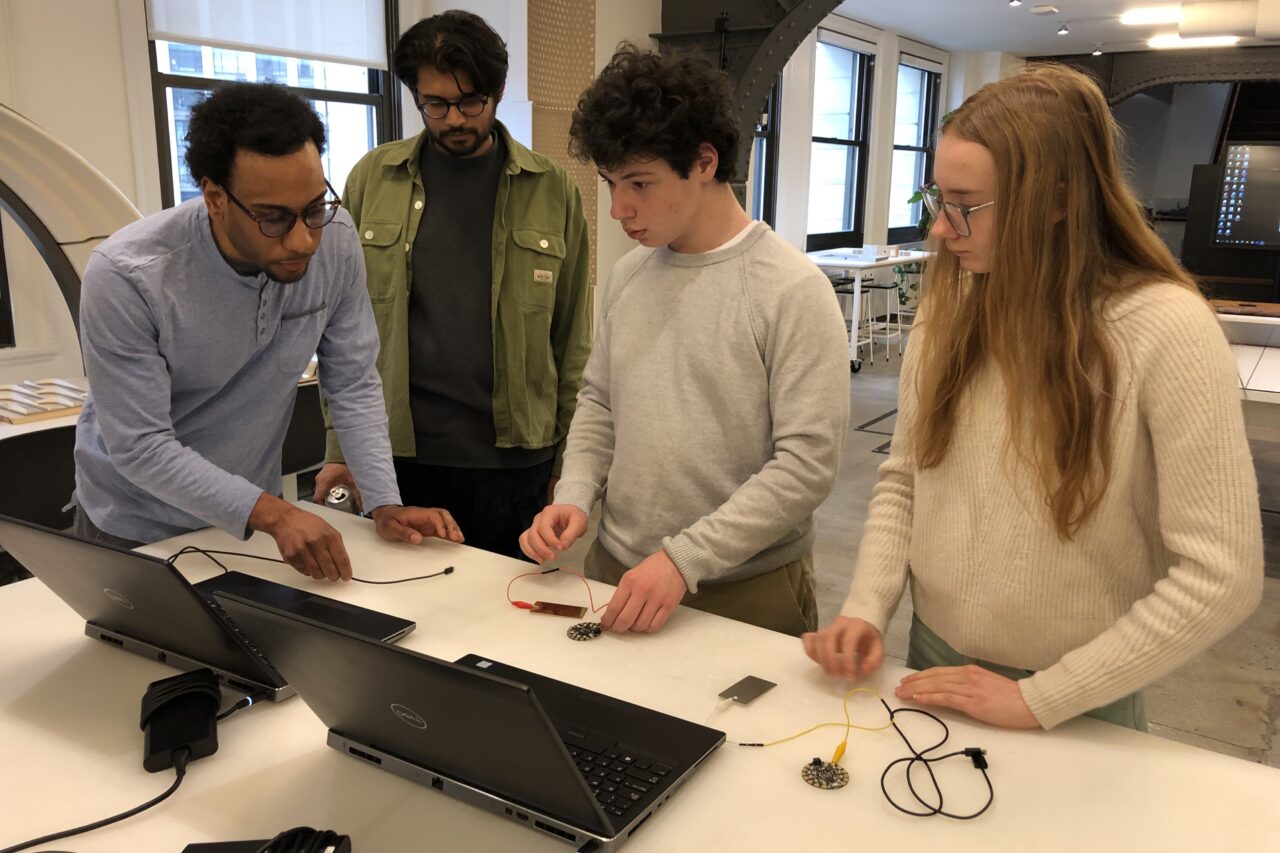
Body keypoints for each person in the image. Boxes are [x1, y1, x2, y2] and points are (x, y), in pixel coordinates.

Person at [803, 63, 1263, 731]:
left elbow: (1223, 574)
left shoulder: (1166, 326)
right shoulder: (952, 303)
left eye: (966, 204)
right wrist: (867, 605)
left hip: (1081, 694)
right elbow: (906, 480)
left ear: (1059, 199)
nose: (939, 227)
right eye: (939, 197)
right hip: (933, 658)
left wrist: (1039, 698)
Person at [519, 45, 850, 637]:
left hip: (744, 588)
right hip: (617, 568)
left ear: (703, 161)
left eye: (639, 183)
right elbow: (600, 402)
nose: (619, 208)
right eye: (612, 182)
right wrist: (573, 496)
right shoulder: (630, 274)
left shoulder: (791, 289)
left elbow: (805, 466)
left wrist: (684, 559)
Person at [72, 82, 463, 581]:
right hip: (136, 525)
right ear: (215, 198)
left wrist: (383, 502)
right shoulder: (128, 276)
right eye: (274, 218)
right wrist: (275, 514)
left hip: (250, 520)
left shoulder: (335, 242)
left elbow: (353, 381)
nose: (303, 239)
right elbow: (141, 446)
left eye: (315, 207)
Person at [311, 10, 592, 560]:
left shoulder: (552, 187)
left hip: (516, 463)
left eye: (471, 102)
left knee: (506, 628)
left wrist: (569, 468)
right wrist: (340, 449)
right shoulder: (372, 177)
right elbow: (341, 328)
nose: (454, 119)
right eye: (435, 104)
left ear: (499, 91)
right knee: (399, 615)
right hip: (398, 459)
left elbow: (572, 337)